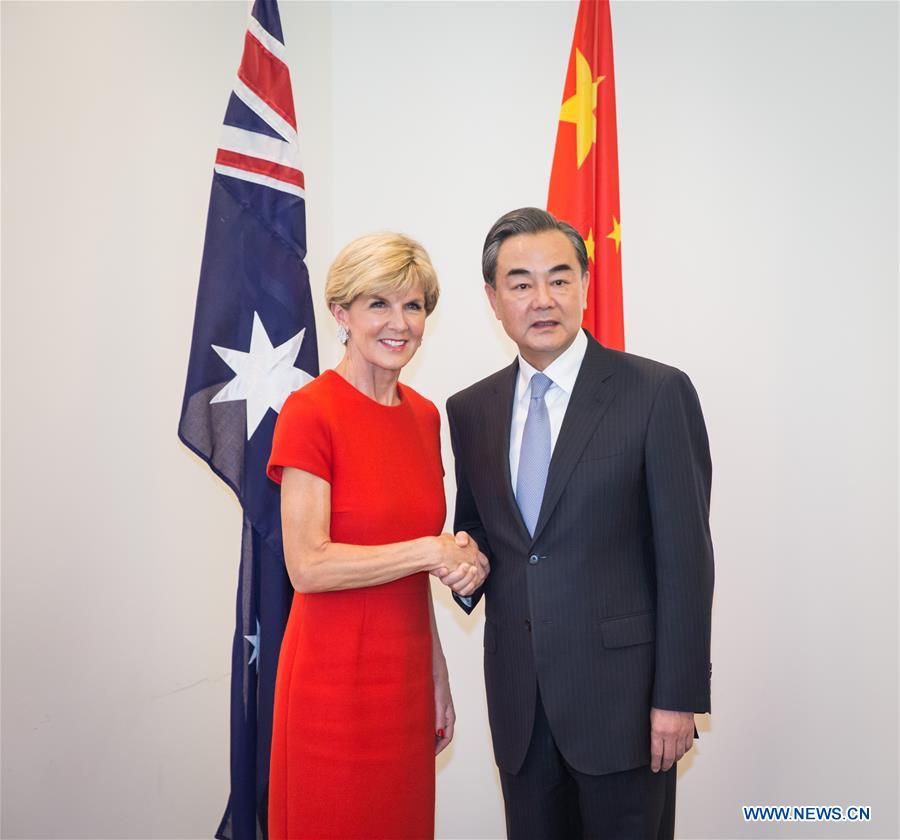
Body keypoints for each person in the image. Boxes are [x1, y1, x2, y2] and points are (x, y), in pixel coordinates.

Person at [445, 208, 714, 839]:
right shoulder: (471, 409)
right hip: (521, 706)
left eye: (560, 279)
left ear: (585, 285)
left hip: (626, 708)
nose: (543, 299)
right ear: (492, 298)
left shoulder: (655, 393)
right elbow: (482, 528)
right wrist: (465, 561)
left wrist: (677, 697)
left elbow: (687, 559)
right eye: (520, 283)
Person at [265, 232, 489, 840]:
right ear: (341, 314)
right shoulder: (310, 411)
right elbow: (307, 566)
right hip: (331, 684)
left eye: (413, 306)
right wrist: (431, 550)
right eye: (378, 305)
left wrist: (438, 675)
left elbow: (415, 569)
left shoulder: (423, 415)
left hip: (407, 675)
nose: (399, 323)